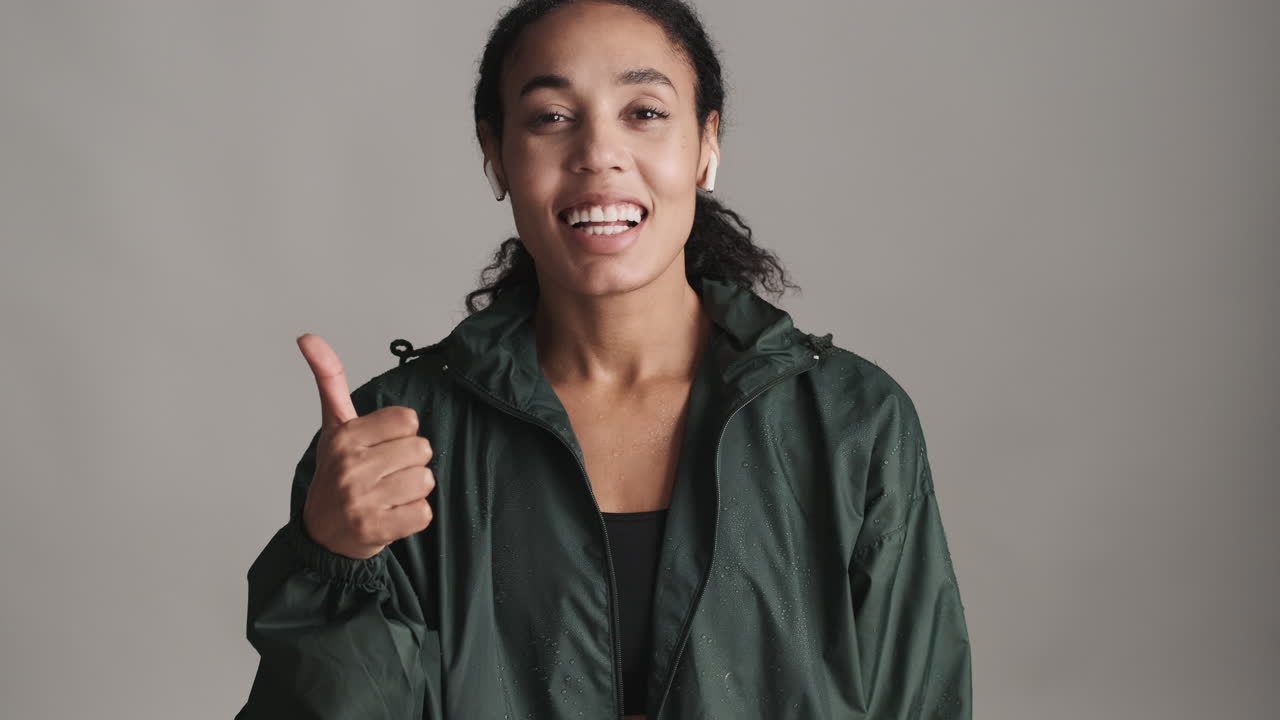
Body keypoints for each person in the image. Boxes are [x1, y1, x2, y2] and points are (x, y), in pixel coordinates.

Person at [236, 1, 973, 718]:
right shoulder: (393, 446)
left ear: (706, 144)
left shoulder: (849, 424)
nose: (597, 154)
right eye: (552, 117)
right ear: (495, 154)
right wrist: (333, 560)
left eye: (644, 113)